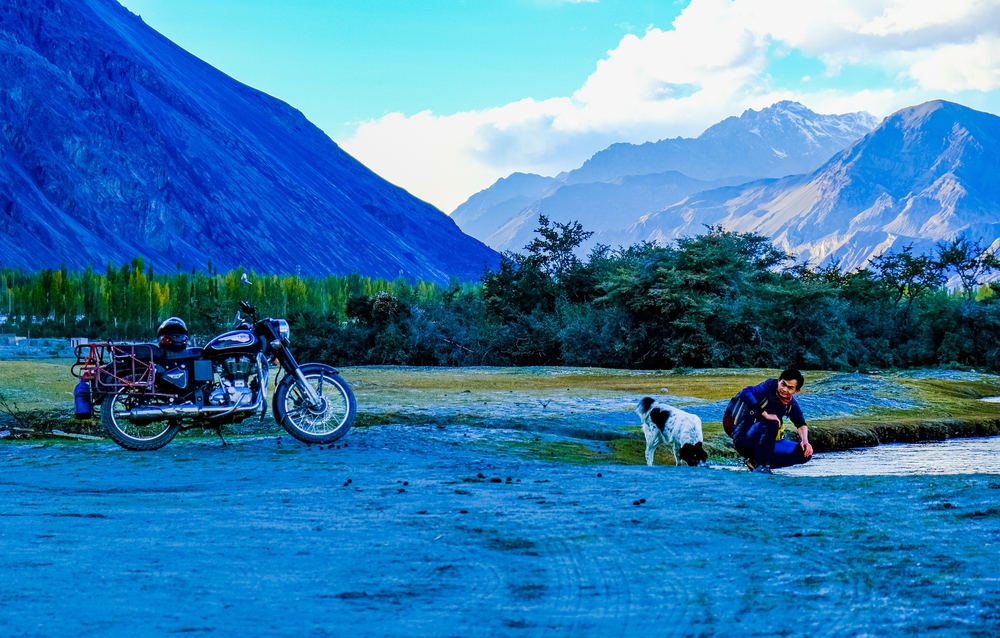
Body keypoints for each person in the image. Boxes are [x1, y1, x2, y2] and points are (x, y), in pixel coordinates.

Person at [723, 369, 813, 474]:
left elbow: (801, 423)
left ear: (796, 391)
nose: (784, 389)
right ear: (779, 380)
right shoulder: (766, 388)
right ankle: (762, 466)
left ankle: (754, 462)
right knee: (772, 423)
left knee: (805, 454)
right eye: (783, 384)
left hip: (765, 443)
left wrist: (805, 441)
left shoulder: (791, 404)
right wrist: (764, 413)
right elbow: (745, 392)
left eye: (790, 388)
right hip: (743, 437)